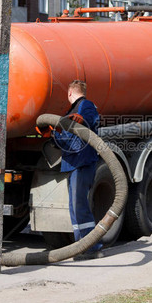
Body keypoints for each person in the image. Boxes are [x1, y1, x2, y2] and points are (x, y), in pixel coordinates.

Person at [52, 80, 103, 258]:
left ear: (69, 93)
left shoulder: (85, 105)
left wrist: (76, 121)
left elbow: (87, 123)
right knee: (75, 206)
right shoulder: (73, 110)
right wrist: (54, 134)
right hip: (74, 162)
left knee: (79, 205)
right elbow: (69, 136)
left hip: (82, 162)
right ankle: (81, 244)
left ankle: (90, 246)